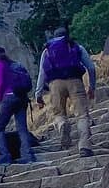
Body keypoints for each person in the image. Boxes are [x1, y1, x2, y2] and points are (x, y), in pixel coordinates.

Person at [35, 27, 96, 155]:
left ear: (54, 36)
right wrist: (92, 87)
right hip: (75, 81)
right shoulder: (76, 46)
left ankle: (62, 124)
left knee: (58, 113)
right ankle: (84, 146)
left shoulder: (47, 50)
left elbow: (42, 73)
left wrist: (38, 95)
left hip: (55, 84)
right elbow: (91, 67)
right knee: (82, 115)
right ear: (67, 35)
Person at [0, 46, 36, 165]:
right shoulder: (15, 64)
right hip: (22, 98)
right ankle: (28, 155)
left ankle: (5, 157)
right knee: (22, 128)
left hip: (9, 97)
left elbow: (0, 83)